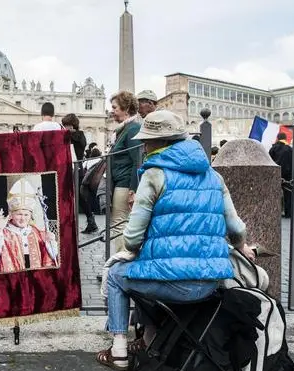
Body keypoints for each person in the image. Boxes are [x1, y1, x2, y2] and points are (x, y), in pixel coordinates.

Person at [95, 110, 253, 370]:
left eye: (147, 140)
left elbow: (132, 238)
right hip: (211, 282)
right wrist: (243, 248)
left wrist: (134, 245)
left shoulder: (154, 175)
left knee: (117, 274)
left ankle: (119, 351)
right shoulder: (214, 176)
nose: (143, 145)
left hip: (176, 285)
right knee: (144, 270)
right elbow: (236, 228)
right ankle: (149, 339)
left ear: (163, 142)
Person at [0, 179, 58, 273]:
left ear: (30, 216)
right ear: (11, 215)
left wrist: (51, 241)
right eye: (19, 214)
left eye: (26, 215)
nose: (23, 218)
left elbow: (53, 256)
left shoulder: (36, 232)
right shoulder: (3, 233)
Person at [108, 91, 143, 253]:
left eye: (115, 107)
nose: (112, 110)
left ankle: (121, 262)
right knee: (120, 223)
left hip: (125, 184)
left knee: (119, 224)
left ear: (126, 108)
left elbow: (137, 160)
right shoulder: (125, 129)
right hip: (121, 182)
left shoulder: (133, 128)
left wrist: (133, 190)